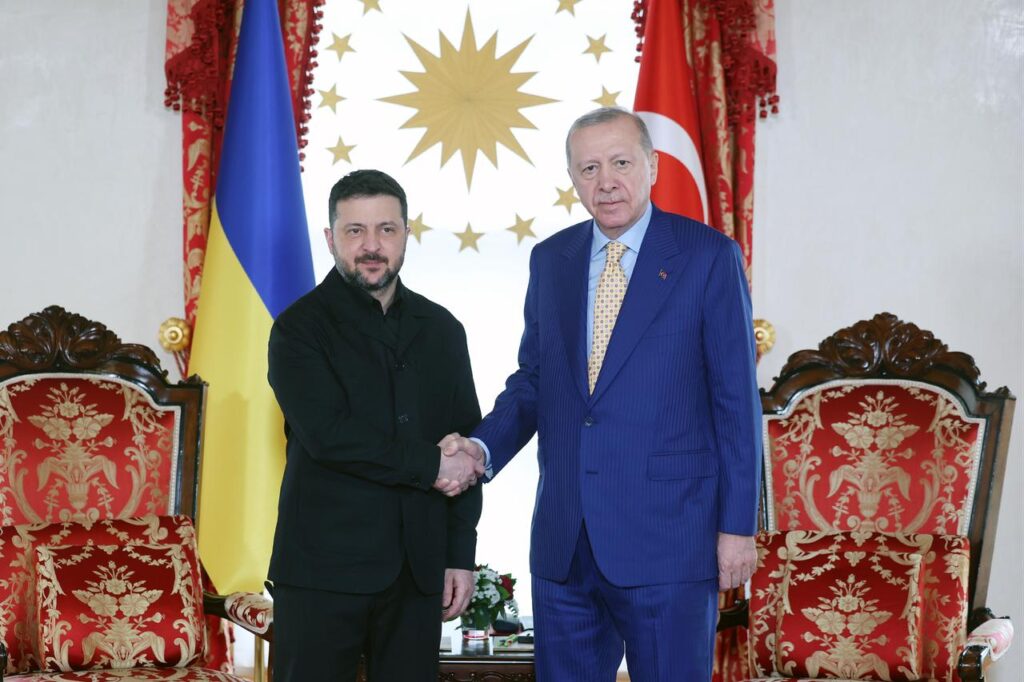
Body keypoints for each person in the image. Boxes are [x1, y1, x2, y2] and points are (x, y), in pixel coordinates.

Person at [441, 107, 762, 681]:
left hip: (669, 540)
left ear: (652, 166)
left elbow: (736, 404)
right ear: (573, 179)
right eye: (589, 168)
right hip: (566, 543)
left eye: (620, 162)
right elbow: (535, 382)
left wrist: (737, 528)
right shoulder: (552, 260)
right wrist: (480, 450)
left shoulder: (708, 257)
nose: (606, 181)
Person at [267, 169, 485, 682]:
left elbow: (466, 445)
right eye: (355, 231)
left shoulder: (442, 329)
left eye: (386, 229)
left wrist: (460, 554)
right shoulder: (298, 329)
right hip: (323, 571)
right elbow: (329, 435)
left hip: (417, 573)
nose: (372, 246)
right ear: (331, 239)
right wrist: (432, 464)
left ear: (406, 234)